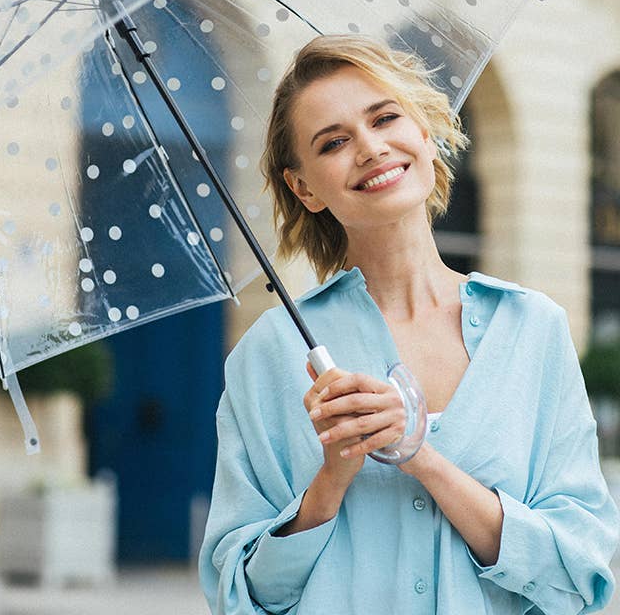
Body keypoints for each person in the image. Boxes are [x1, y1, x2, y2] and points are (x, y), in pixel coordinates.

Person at [199, 34, 619, 614]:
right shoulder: (270, 352)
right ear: (304, 188)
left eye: (385, 118)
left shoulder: (533, 330)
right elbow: (242, 598)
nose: (371, 148)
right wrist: (330, 480)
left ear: (423, 131)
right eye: (334, 142)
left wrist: (421, 456)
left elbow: (579, 575)